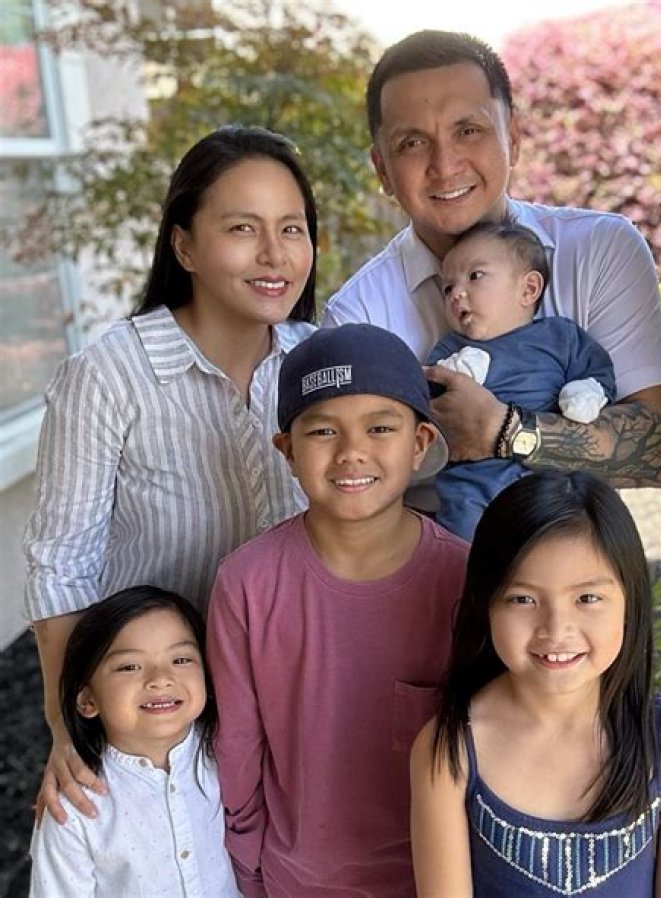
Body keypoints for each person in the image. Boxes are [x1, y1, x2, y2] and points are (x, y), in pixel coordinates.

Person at [23, 124, 317, 824]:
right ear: (183, 246)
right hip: (159, 714)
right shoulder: (110, 374)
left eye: (293, 228)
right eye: (242, 228)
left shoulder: (319, 362)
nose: (275, 254)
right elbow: (62, 564)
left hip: (294, 697)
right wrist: (70, 725)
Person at [322, 30, 661, 503]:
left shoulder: (599, 249)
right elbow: (354, 492)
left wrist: (507, 431)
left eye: (468, 130)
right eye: (412, 142)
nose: (445, 165)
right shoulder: (357, 317)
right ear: (382, 170)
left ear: (513, 137)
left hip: (578, 542)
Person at [207, 324, 470, 897]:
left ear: (420, 443)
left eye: (380, 428)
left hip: (435, 883)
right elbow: (238, 750)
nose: (352, 452)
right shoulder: (247, 584)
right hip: (293, 882)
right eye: (323, 430)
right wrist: (250, 873)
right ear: (288, 450)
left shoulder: (465, 581)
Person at [410, 471, 661, 897]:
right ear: (486, 605)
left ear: (630, 602)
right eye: (523, 599)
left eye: (587, 598)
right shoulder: (451, 749)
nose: (555, 630)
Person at [29, 585, 239, 897]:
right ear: (86, 699)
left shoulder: (226, 750)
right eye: (130, 666)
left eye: (181, 659)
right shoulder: (74, 807)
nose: (160, 678)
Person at [428, 219, 615, 540]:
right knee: (465, 546)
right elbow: (432, 400)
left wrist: (585, 392)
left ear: (528, 289)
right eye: (447, 288)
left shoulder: (560, 337)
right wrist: (453, 373)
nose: (456, 293)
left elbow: (600, 375)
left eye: (475, 276)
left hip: (548, 480)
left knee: (562, 538)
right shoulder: (450, 349)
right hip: (473, 484)